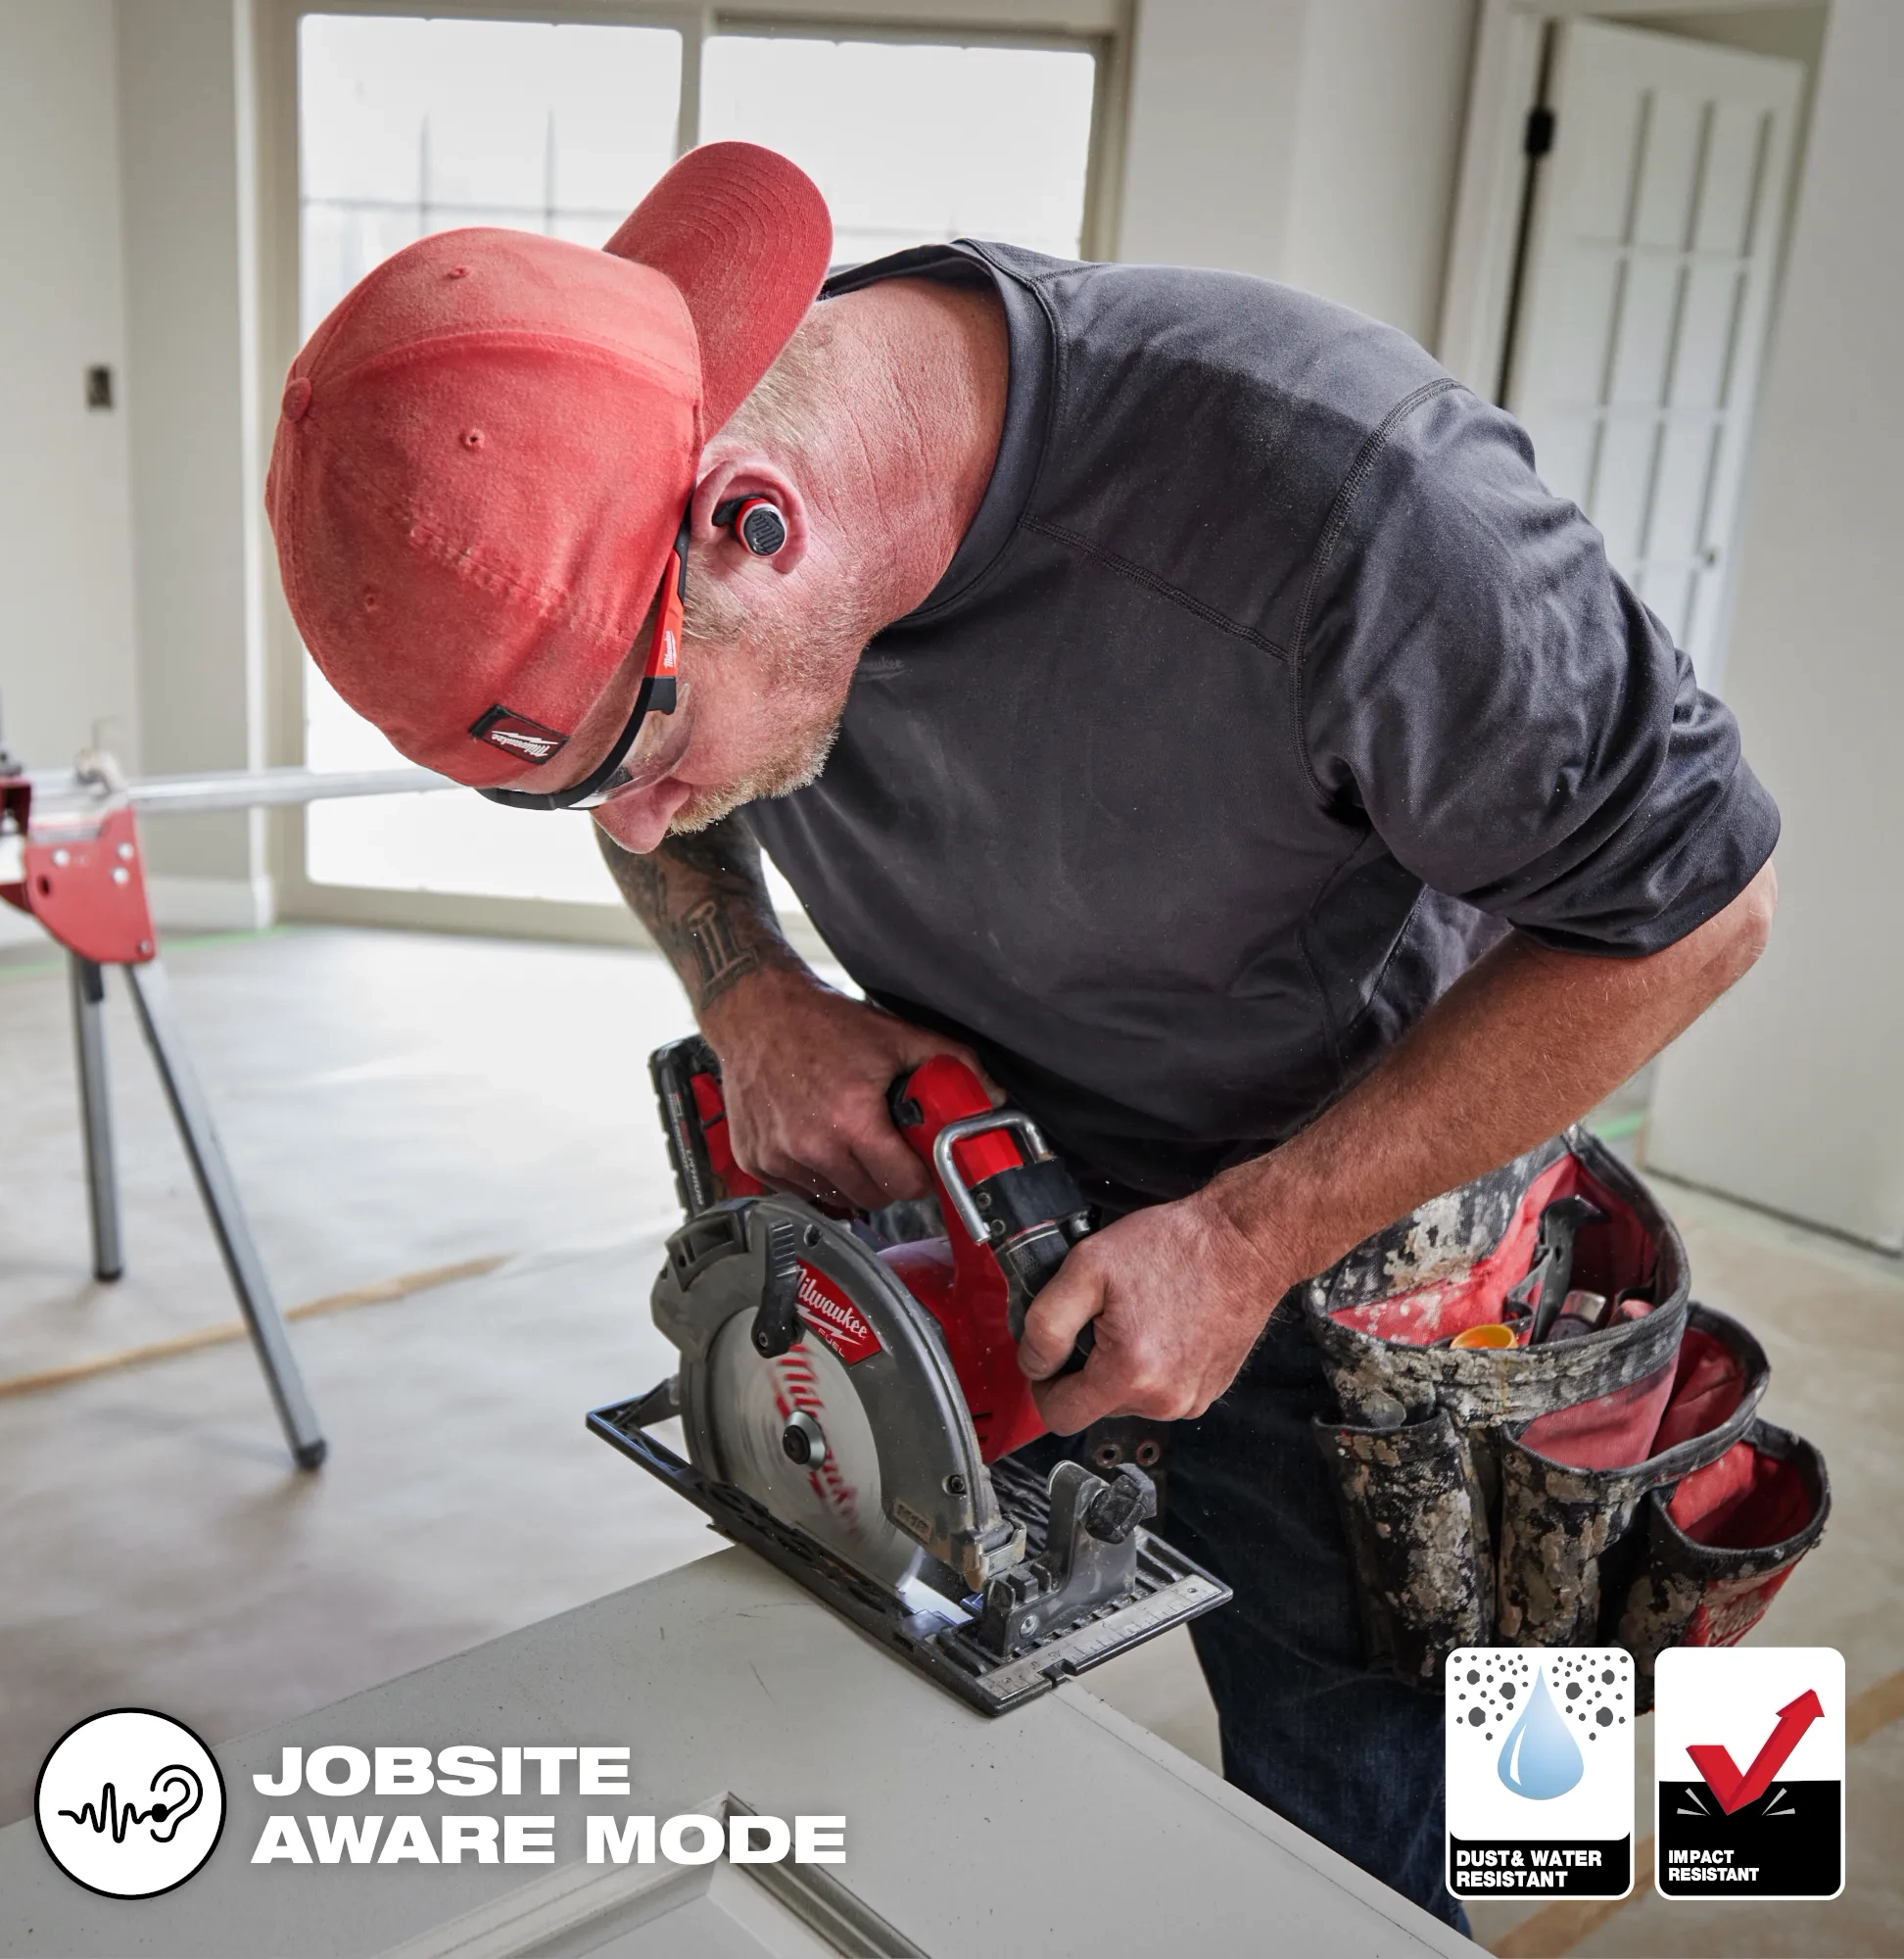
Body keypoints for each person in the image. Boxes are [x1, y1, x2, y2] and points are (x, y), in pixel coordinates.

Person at [267, 143, 1777, 1925]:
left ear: (756, 521)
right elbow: (648, 807)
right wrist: (747, 989)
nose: (646, 826)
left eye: (648, 752)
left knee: (1368, 1836)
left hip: (1344, 1253)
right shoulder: (666, 482)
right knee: (882, 1737)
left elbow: (1702, 916)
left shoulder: (1361, 512)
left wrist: (1247, 1236)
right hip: (973, 1192)